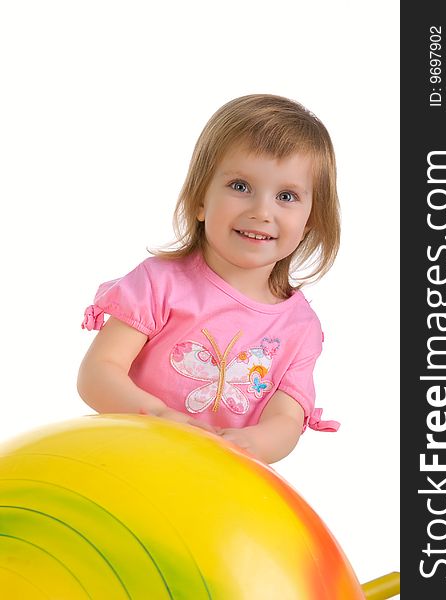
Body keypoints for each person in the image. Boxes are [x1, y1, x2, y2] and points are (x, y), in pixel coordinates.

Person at [78, 93, 340, 465]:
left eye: (286, 195)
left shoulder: (299, 328)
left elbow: (286, 419)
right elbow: (97, 372)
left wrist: (249, 445)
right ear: (201, 199)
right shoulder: (158, 284)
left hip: (214, 488)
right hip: (124, 463)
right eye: (240, 187)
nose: (261, 211)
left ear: (309, 220)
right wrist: (160, 417)